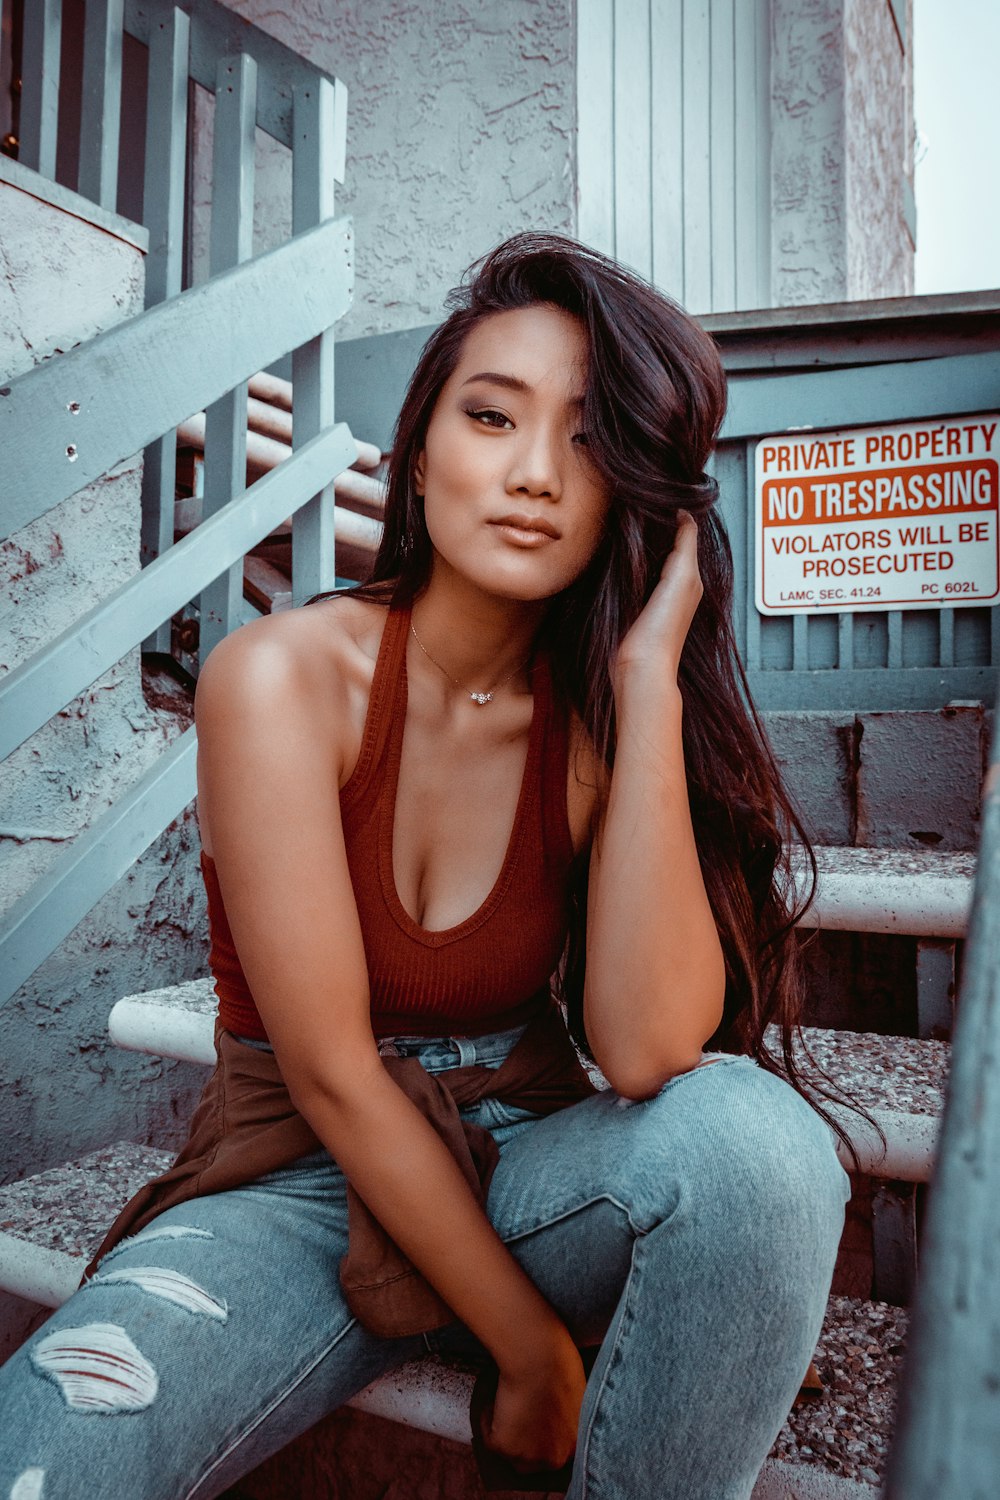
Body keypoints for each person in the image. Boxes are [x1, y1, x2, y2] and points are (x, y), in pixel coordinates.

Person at [0, 232, 852, 1500]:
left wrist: (643, 682)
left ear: (636, 488)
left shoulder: (598, 717)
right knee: (52, 1456)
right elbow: (336, 1074)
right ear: (420, 447)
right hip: (300, 1180)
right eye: (491, 416)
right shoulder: (283, 678)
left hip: (534, 1168)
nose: (531, 477)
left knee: (758, 1143)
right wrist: (529, 1350)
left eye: (586, 437)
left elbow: (641, 1050)